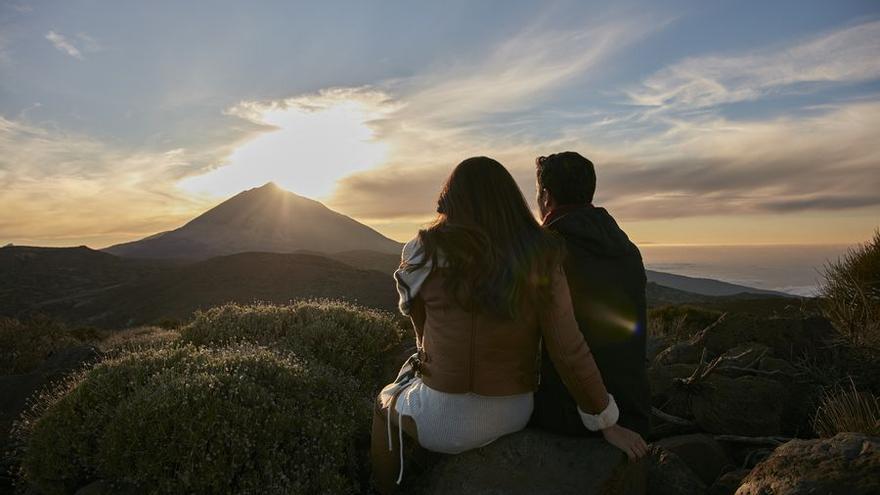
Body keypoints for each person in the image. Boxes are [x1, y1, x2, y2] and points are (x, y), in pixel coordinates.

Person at [370, 156, 648, 494]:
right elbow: (568, 348)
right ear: (511, 199)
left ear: (450, 199)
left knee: (385, 404)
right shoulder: (542, 254)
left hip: (440, 420)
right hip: (513, 412)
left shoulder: (421, 252)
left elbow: (421, 332)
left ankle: (384, 488)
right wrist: (606, 422)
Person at [531, 151, 652, 438]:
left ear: (546, 197)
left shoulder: (546, 251)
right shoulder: (624, 247)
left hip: (571, 413)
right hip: (632, 410)